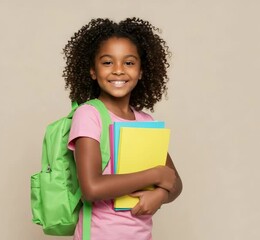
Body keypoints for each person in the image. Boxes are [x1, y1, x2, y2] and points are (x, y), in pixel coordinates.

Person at [63, 18, 182, 240]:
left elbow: (174, 182)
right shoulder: (89, 115)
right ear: (92, 70)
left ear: (141, 71)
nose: (118, 71)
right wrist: (154, 175)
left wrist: (161, 195)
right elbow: (92, 187)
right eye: (107, 62)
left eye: (128, 63)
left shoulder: (146, 121)